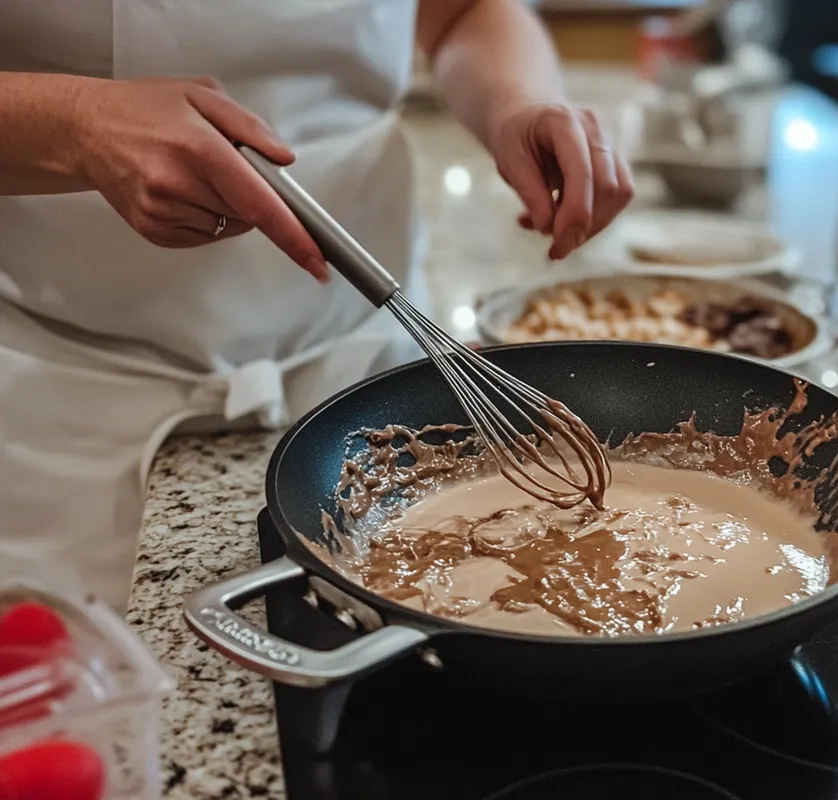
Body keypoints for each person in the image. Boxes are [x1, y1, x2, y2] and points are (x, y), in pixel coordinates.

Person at [0, 0, 634, 612]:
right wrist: (74, 122)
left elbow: (462, 9)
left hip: (371, 367)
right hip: (68, 402)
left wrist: (516, 102)